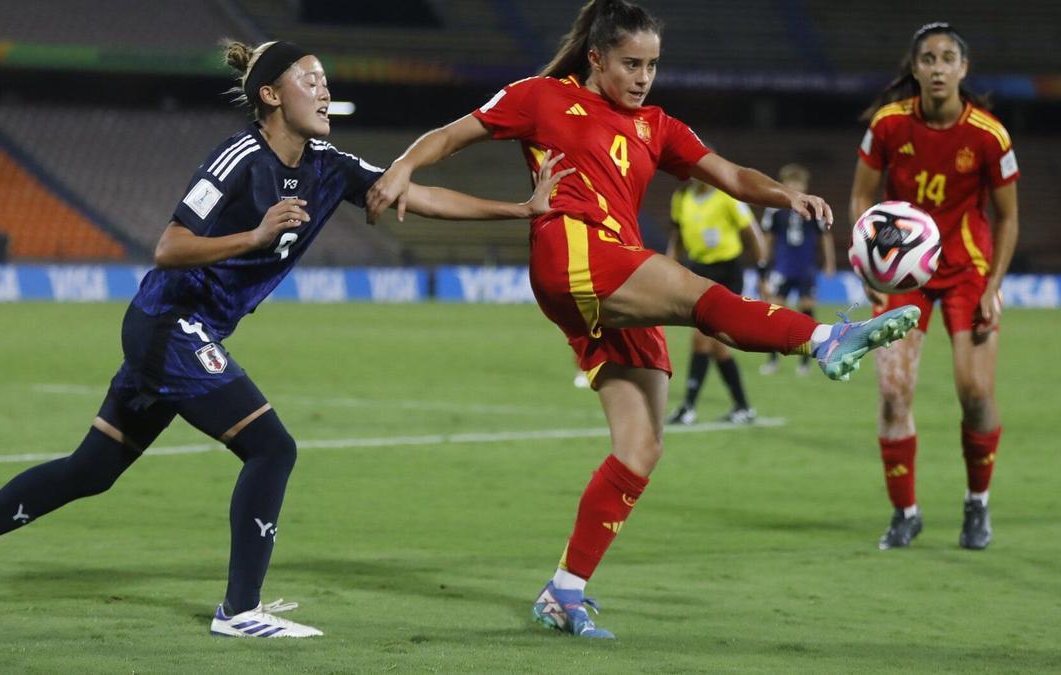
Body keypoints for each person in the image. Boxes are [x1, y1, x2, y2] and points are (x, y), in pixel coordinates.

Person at [0, 39, 568, 637]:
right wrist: (253, 236)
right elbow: (169, 247)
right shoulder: (238, 158)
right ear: (271, 95)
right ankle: (239, 609)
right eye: (310, 79)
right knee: (272, 446)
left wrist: (519, 210)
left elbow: (411, 195)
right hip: (168, 324)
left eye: (325, 79)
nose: (323, 89)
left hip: (184, 333)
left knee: (92, 470)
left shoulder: (328, 165)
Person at [366, 0, 920, 639]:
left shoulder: (657, 125)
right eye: (631, 63)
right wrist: (403, 165)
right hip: (572, 247)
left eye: (653, 65)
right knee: (695, 295)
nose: (643, 77)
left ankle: (564, 592)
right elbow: (450, 135)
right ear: (597, 57)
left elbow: (731, 174)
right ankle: (825, 337)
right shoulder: (541, 97)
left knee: (641, 447)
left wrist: (784, 194)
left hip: (613, 272)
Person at [849, 22, 1019, 551]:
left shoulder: (989, 135)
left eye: (948, 58)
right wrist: (870, 272)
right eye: (929, 58)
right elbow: (860, 198)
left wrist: (994, 286)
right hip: (905, 273)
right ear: (916, 68)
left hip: (968, 267)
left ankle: (977, 504)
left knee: (975, 394)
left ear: (963, 69)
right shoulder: (887, 126)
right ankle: (905, 512)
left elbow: (1009, 219)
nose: (938, 67)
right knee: (894, 391)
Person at [665, 176, 767, 425]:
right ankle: (743, 407)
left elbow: (753, 233)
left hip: (727, 273)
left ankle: (688, 407)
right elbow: (677, 235)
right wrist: (669, 264)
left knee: (701, 340)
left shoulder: (727, 198)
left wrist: (763, 271)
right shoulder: (681, 198)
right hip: (699, 271)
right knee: (718, 346)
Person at [759, 163, 836, 376]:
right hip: (782, 268)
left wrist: (829, 263)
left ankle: (805, 362)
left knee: (806, 313)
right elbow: (767, 239)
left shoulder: (813, 208)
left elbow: (824, 237)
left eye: (798, 182)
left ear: (805, 184)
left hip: (806, 269)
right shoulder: (774, 208)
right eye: (790, 182)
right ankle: (773, 359)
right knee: (775, 314)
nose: (794, 186)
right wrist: (763, 266)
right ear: (783, 185)